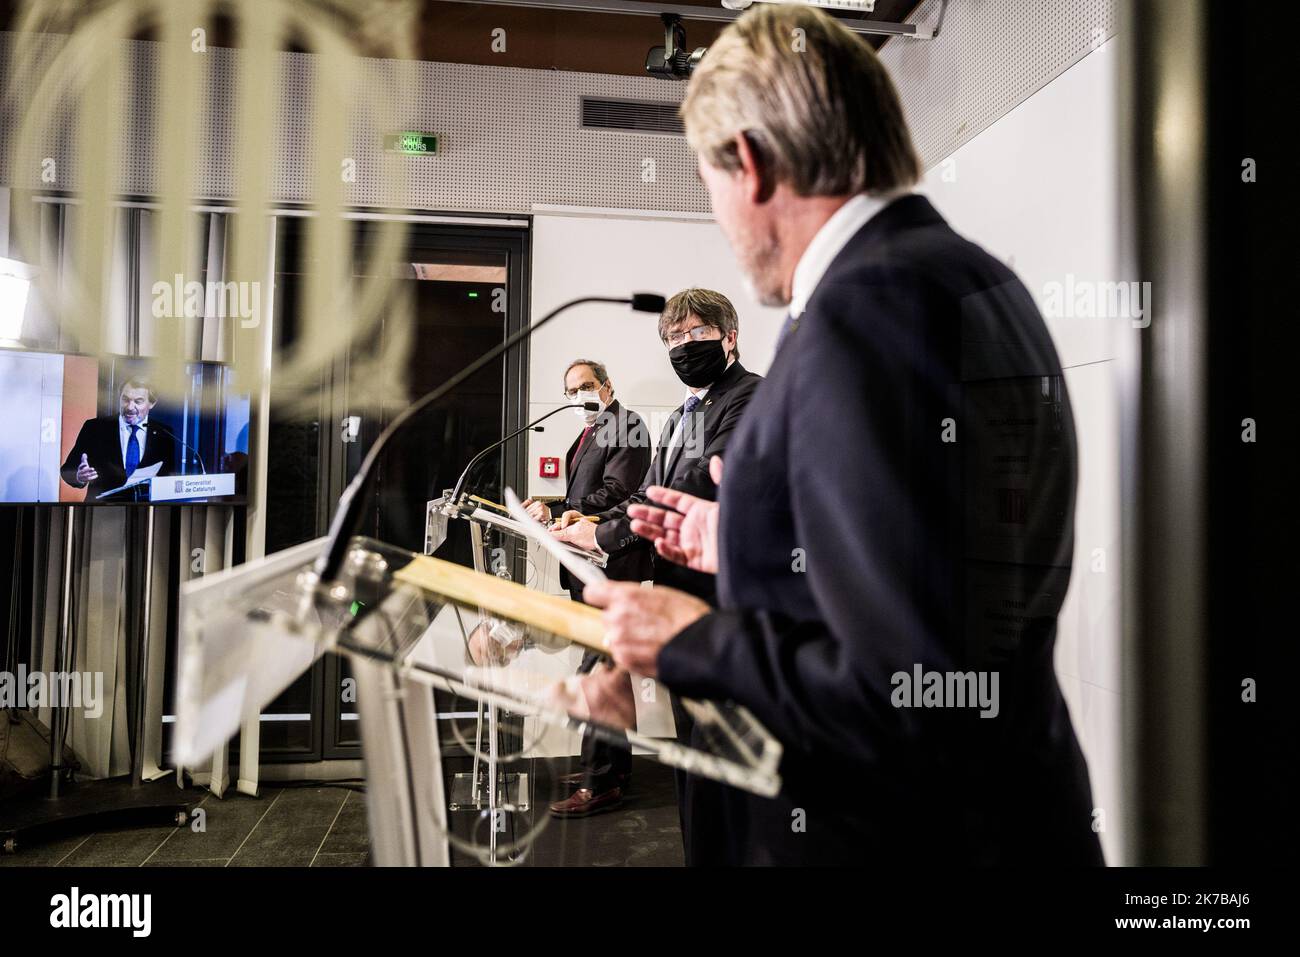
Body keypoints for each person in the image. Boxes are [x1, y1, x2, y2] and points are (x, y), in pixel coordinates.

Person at [583, 5, 1104, 866]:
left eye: (705, 183)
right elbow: (932, 564)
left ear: (748, 164)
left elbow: (905, 689)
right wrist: (748, 537)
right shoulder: (965, 275)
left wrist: (691, 638)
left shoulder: (867, 311)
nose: (716, 215)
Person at [553, 288, 762, 856]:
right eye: (672, 338)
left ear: (729, 336)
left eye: (694, 334)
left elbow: (690, 491)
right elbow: (646, 492)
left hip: (727, 610)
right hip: (681, 606)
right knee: (692, 767)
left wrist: (602, 535)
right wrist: (585, 524)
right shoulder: (679, 416)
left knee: (725, 771)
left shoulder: (750, 399)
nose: (682, 346)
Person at [521, 360, 651, 818]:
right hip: (589, 568)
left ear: (607, 385)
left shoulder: (628, 425)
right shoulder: (592, 429)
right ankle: (611, 770)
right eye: (570, 390)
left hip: (613, 567)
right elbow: (585, 494)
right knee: (606, 669)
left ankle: (599, 783)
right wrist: (551, 506)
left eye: (586, 387)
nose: (578, 397)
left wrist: (563, 512)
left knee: (600, 673)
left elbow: (620, 491)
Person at [60, 377, 177, 502]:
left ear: (152, 403)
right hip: (101, 510)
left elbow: (168, 477)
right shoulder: (95, 428)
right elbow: (67, 470)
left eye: (138, 401)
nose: (130, 407)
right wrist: (79, 476)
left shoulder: (164, 433)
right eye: (125, 400)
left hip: (148, 511)